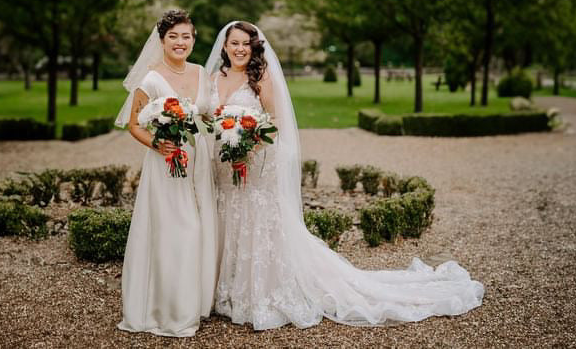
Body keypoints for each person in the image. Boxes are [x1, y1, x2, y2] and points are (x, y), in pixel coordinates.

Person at [205, 21, 484, 330]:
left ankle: (259, 293)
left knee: (257, 220)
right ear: (224, 46)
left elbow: (274, 122)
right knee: (230, 217)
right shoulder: (214, 79)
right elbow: (208, 120)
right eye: (235, 43)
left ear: (254, 47)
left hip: (255, 165)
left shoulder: (262, 77)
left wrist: (249, 144)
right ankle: (229, 290)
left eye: (246, 43)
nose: (240, 49)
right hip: (223, 167)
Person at [115, 10, 217, 337]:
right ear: (162, 41)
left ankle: (196, 301)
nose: (180, 42)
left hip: (199, 162)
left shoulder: (203, 73)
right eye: (173, 36)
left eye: (186, 36)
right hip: (166, 165)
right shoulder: (151, 78)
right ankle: (173, 311)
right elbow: (134, 124)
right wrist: (159, 144)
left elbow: (210, 116)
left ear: (193, 39)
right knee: (177, 230)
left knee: (200, 227)